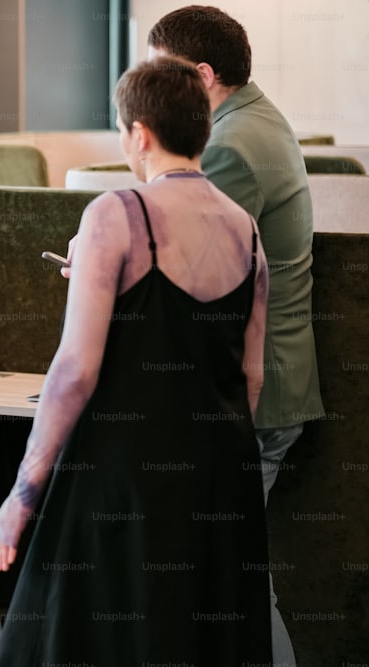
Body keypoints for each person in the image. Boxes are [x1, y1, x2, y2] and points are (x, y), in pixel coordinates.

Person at [0, 56, 272, 665]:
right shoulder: (246, 230)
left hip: (126, 474)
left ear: (139, 133)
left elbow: (74, 371)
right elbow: (250, 377)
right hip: (221, 477)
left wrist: (22, 493)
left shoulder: (117, 212)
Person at [148, 7, 325, 664]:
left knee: (232, 574)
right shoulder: (255, 119)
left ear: (199, 74)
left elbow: (186, 269)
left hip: (251, 392)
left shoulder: (229, 146)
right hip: (265, 381)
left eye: (158, 69)